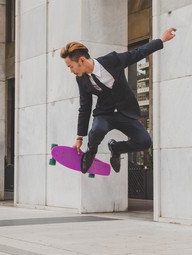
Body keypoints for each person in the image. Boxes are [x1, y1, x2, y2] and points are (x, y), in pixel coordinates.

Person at [60, 28, 177, 173]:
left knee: (144, 141)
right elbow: (85, 106)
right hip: (105, 114)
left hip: (125, 112)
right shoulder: (81, 79)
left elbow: (136, 54)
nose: (71, 70)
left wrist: (161, 40)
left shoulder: (112, 61)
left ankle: (116, 148)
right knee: (97, 129)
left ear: (81, 60)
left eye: (70, 66)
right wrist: (79, 137)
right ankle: (91, 153)